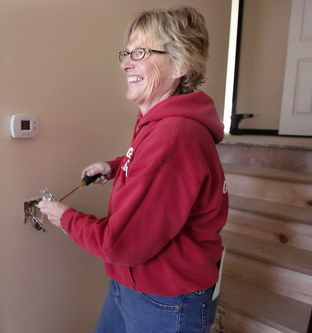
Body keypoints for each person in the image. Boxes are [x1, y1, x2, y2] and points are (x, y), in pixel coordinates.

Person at [38, 5, 228, 333]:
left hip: (166, 299)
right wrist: (115, 166)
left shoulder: (174, 137)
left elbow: (120, 244)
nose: (126, 62)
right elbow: (155, 169)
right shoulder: (159, 124)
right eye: (126, 52)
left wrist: (64, 217)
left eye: (140, 52)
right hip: (132, 283)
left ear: (181, 64)